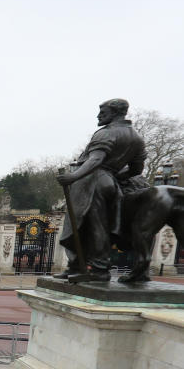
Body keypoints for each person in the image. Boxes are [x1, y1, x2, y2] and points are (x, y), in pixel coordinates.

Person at [55, 98, 147, 283]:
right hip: (109, 181)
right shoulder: (136, 138)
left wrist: (73, 177)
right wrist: (114, 178)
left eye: (103, 112)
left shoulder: (106, 133)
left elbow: (95, 160)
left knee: (78, 225)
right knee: (97, 226)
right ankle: (81, 267)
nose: (99, 116)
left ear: (114, 113)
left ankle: (96, 268)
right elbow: (136, 170)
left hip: (91, 180)